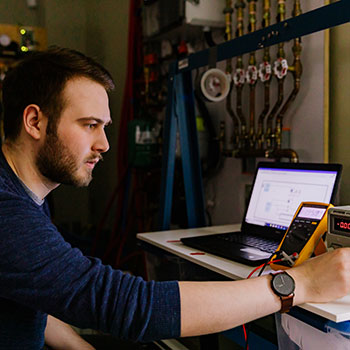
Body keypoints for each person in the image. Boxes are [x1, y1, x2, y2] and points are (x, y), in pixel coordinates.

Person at [0, 47, 350, 349]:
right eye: (90, 125)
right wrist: (298, 284)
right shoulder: (7, 212)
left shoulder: (25, 192)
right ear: (34, 121)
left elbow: (36, 301)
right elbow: (131, 307)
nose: (104, 144)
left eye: (104, 127)